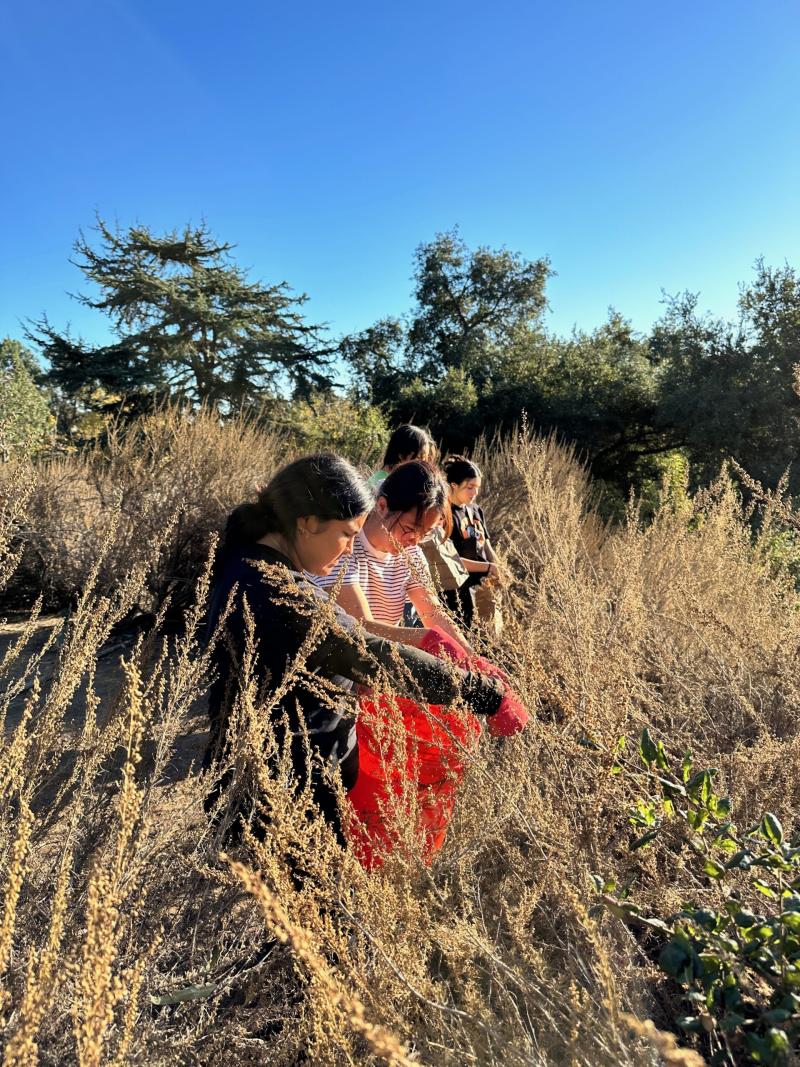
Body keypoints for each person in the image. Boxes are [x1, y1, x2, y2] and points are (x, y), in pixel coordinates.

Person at [203, 452, 513, 848]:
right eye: (348, 533)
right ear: (308, 522)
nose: (350, 548)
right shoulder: (278, 593)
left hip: (287, 783)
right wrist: (484, 693)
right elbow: (367, 650)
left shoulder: (253, 564)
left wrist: (463, 656)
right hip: (284, 796)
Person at [310, 460, 469, 649]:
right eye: (410, 528)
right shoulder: (346, 544)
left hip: (380, 662)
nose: (415, 540)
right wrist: (427, 638)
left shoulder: (411, 555)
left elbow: (434, 614)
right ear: (382, 505)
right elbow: (360, 629)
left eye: (425, 534)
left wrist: (471, 659)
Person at [442, 456, 501, 629]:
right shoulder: (445, 514)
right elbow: (452, 560)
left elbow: (486, 546)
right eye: (470, 487)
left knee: (488, 636)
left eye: (477, 488)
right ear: (454, 485)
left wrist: (497, 568)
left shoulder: (476, 510)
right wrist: (489, 567)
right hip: (457, 592)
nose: (475, 493)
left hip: (482, 588)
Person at [368, 424, 436, 489]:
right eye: (419, 458)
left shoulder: (398, 482)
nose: (421, 464)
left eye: (423, 459)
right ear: (402, 455)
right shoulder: (379, 485)